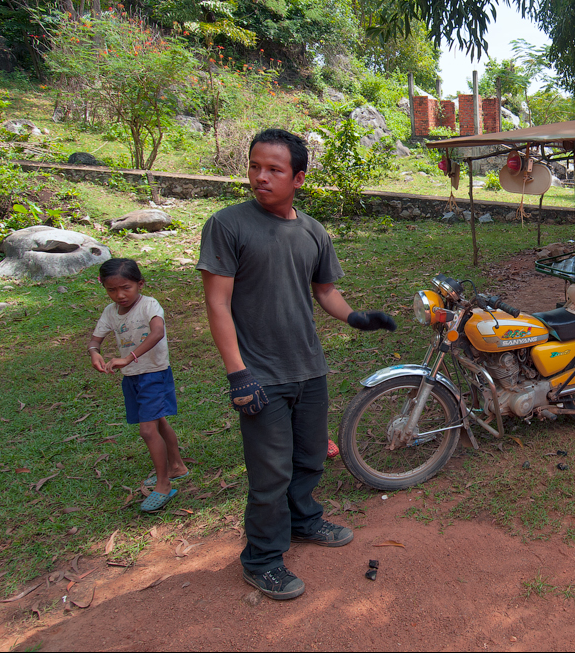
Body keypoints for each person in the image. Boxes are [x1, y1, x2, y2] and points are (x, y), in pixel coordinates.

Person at [197, 128, 395, 601]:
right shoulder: (228, 225)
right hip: (260, 373)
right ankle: (262, 559)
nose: (260, 177)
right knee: (270, 473)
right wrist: (237, 372)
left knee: (308, 457)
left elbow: (324, 290)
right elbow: (217, 305)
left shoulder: (312, 231)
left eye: (274, 170)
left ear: (298, 178)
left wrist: (356, 317)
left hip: (308, 367)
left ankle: (304, 521)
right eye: (254, 166)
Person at [89, 258, 188, 512]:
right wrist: (94, 352)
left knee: (147, 430)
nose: (119, 295)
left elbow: (157, 332)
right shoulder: (110, 312)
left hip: (153, 373)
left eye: (126, 288)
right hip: (131, 376)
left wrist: (128, 357)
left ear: (140, 284)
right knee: (158, 421)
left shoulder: (149, 305)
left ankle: (163, 484)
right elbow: (96, 338)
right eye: (112, 290)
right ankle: (176, 465)